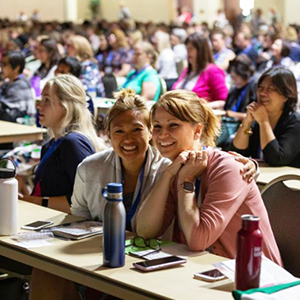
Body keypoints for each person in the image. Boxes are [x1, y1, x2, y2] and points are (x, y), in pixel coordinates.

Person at [30, 88, 171, 300]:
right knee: (45, 271)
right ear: (107, 134)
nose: (128, 139)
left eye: (136, 130)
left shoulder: (166, 170)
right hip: (97, 255)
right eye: (119, 131)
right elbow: (77, 219)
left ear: (151, 132)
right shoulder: (90, 168)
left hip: (149, 259)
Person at [136, 89, 282, 266]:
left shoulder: (228, 168)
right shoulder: (174, 167)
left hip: (253, 280)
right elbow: (145, 230)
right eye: (157, 126)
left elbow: (198, 240)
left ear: (197, 131)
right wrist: (167, 175)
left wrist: (186, 180)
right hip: (205, 271)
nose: (162, 134)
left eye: (173, 125)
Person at [19, 75, 106, 214]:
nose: (39, 106)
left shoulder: (73, 143)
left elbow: (89, 201)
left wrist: (38, 202)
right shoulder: (50, 145)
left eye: (47, 100)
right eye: (41, 99)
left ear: (66, 107)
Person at [232, 67, 300, 168]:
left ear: (286, 95)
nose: (263, 93)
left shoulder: (295, 122)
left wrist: (264, 122)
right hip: (261, 179)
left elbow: (276, 159)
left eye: (270, 89)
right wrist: (246, 123)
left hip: (287, 181)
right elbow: (237, 153)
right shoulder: (259, 118)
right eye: (260, 88)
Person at [172, 33, 228, 108]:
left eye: (191, 49)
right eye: (187, 48)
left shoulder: (213, 71)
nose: (188, 52)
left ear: (201, 50)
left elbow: (223, 101)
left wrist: (202, 107)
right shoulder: (187, 70)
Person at [0, 51, 35, 122]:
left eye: (4, 64)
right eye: (1, 63)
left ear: (16, 68)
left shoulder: (21, 85)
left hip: (21, 127)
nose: (1, 67)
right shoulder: (7, 83)